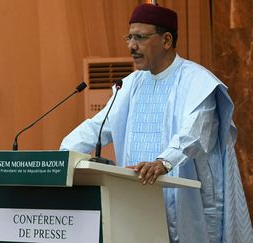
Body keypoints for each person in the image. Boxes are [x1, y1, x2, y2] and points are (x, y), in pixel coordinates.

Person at [60, 3, 253, 243]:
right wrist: (63, 154)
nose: (131, 46)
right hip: (139, 203)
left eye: (140, 37)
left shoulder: (197, 82)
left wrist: (164, 162)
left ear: (167, 40)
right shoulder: (130, 85)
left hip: (187, 206)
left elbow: (193, 133)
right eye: (129, 37)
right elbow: (98, 126)